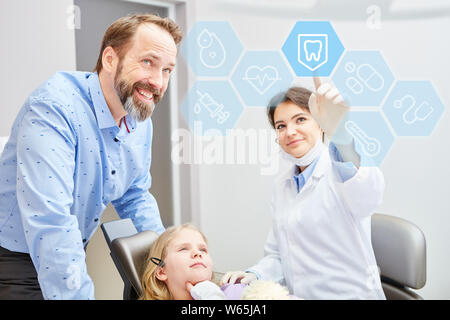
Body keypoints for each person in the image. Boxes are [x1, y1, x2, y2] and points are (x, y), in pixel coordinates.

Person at [0, 14, 182, 300]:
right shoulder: (54, 108)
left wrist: (169, 261)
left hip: (68, 251)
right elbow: (51, 219)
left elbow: (135, 194)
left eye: (167, 70)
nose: (158, 82)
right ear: (110, 59)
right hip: (14, 260)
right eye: (148, 62)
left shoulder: (138, 118)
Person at [221, 79, 387, 300]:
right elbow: (280, 254)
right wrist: (254, 274)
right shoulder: (282, 186)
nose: (290, 131)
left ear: (320, 124)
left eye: (300, 120)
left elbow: (368, 195)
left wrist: (341, 136)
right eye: (281, 126)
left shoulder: (342, 171)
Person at [139, 223, 294, 300]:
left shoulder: (236, 291)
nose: (197, 254)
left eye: (203, 250)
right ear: (161, 271)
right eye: (183, 249)